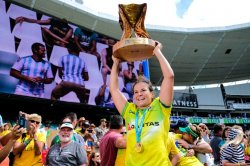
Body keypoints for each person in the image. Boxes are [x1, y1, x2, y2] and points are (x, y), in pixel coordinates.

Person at [110, 42, 174, 165]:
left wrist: (157, 52)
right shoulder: (129, 110)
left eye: (143, 90)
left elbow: (169, 76)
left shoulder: (161, 107)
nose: (139, 94)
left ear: (152, 94)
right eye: (136, 92)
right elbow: (114, 89)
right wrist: (116, 63)